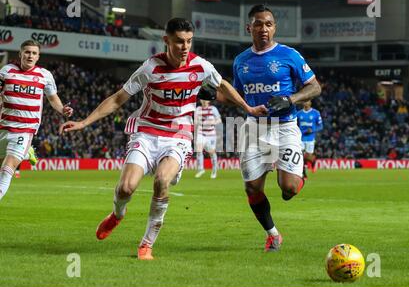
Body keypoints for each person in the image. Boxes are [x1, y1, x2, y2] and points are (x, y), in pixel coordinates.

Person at [59, 18, 267, 260]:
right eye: (179, 41)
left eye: (189, 41)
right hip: (147, 132)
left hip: (178, 135)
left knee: (161, 180)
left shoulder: (201, 66)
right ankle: (117, 214)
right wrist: (84, 122)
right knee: (126, 188)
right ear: (166, 40)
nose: (185, 47)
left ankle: (147, 244)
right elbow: (118, 99)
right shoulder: (150, 68)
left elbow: (222, 85)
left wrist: (248, 108)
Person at [231, 5, 321, 252]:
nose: (264, 29)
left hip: (285, 127)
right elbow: (237, 95)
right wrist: (213, 93)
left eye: (268, 24)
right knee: (252, 187)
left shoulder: (289, 55)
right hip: (254, 130)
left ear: (274, 27)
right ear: (249, 28)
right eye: (258, 24)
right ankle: (273, 234)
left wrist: (291, 99)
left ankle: (299, 177)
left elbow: (315, 87)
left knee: (288, 189)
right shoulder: (241, 61)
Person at [0, 40, 73, 201]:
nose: (30, 55)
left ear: (38, 56)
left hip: (25, 129)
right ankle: (28, 152)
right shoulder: (6, 71)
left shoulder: (45, 75)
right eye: (27, 52)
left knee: (8, 168)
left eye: (34, 53)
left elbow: (53, 99)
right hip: (3, 127)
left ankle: (25, 150)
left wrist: (62, 109)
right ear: (20, 54)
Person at [194, 99, 222, 179]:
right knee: (199, 150)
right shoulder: (198, 109)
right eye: (202, 99)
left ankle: (214, 170)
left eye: (205, 99)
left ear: (208, 101)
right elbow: (195, 121)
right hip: (201, 133)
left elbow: (219, 119)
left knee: (212, 153)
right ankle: (200, 169)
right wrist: (197, 122)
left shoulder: (213, 109)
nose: (203, 101)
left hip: (211, 134)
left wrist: (213, 123)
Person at [297, 100, 323, 172]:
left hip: (310, 138)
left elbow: (320, 126)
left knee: (308, 156)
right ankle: (303, 171)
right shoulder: (298, 114)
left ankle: (313, 162)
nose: (305, 103)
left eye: (307, 101)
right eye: (304, 101)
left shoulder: (316, 113)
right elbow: (295, 125)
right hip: (301, 138)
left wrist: (312, 130)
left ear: (310, 103)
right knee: (301, 155)